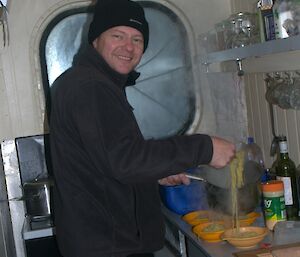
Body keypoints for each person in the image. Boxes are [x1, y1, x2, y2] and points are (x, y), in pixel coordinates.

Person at [49, 0, 236, 257]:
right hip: (108, 246)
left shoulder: (94, 82)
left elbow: (108, 160)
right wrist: (205, 147)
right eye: (118, 36)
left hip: (104, 241)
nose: (128, 47)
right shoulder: (91, 88)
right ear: (95, 39)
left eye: (137, 39)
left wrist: (155, 173)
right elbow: (125, 160)